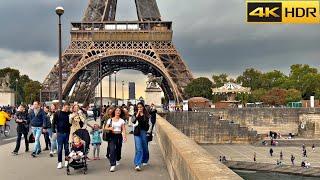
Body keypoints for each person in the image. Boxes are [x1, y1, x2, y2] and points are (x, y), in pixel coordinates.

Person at [131, 102, 152, 171]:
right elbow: (133, 121)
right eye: (138, 107)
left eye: (141, 107)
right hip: (137, 132)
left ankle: (145, 159)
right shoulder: (135, 114)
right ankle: (137, 164)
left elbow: (149, 124)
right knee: (139, 148)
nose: (139, 108)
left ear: (143, 107)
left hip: (144, 132)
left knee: (145, 147)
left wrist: (149, 132)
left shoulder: (147, 115)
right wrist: (137, 115)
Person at [105, 107, 127, 172]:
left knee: (118, 149)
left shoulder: (121, 120)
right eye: (116, 110)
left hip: (119, 136)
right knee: (112, 150)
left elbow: (123, 129)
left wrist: (125, 136)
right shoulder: (110, 120)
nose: (118, 112)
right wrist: (110, 128)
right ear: (114, 112)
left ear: (120, 113)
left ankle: (117, 158)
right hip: (112, 136)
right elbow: (105, 127)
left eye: (119, 111)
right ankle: (112, 165)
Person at [52, 103, 71, 169]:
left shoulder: (69, 113)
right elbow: (53, 122)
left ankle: (66, 161)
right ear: (63, 107)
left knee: (66, 148)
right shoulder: (57, 113)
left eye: (68, 107)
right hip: (60, 133)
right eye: (66, 107)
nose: (67, 108)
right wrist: (53, 130)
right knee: (59, 148)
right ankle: (59, 162)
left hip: (67, 132)